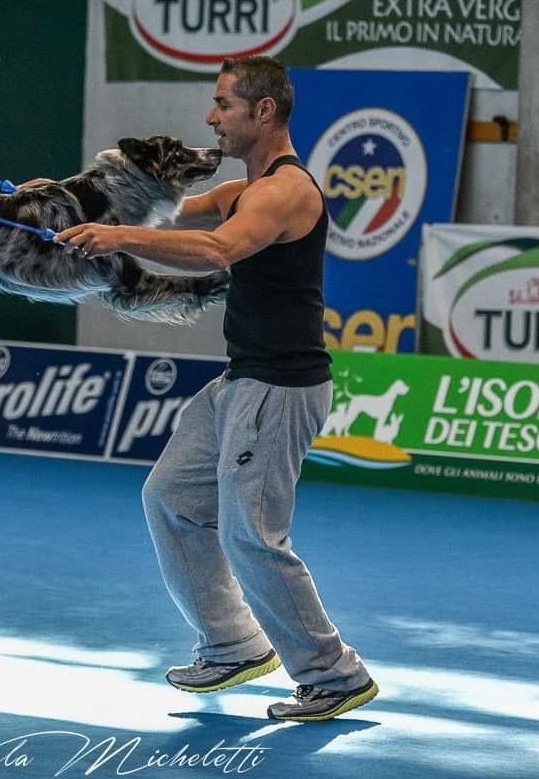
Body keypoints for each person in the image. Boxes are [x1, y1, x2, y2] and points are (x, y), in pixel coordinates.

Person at [56, 56, 377, 722]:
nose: (211, 116)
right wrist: (78, 202)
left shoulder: (284, 193)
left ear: (264, 112)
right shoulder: (243, 187)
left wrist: (115, 236)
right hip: (242, 381)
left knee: (251, 536)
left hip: (279, 388)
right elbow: (176, 217)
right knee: (171, 496)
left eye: (223, 103)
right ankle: (233, 641)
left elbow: (216, 251)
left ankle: (333, 672)